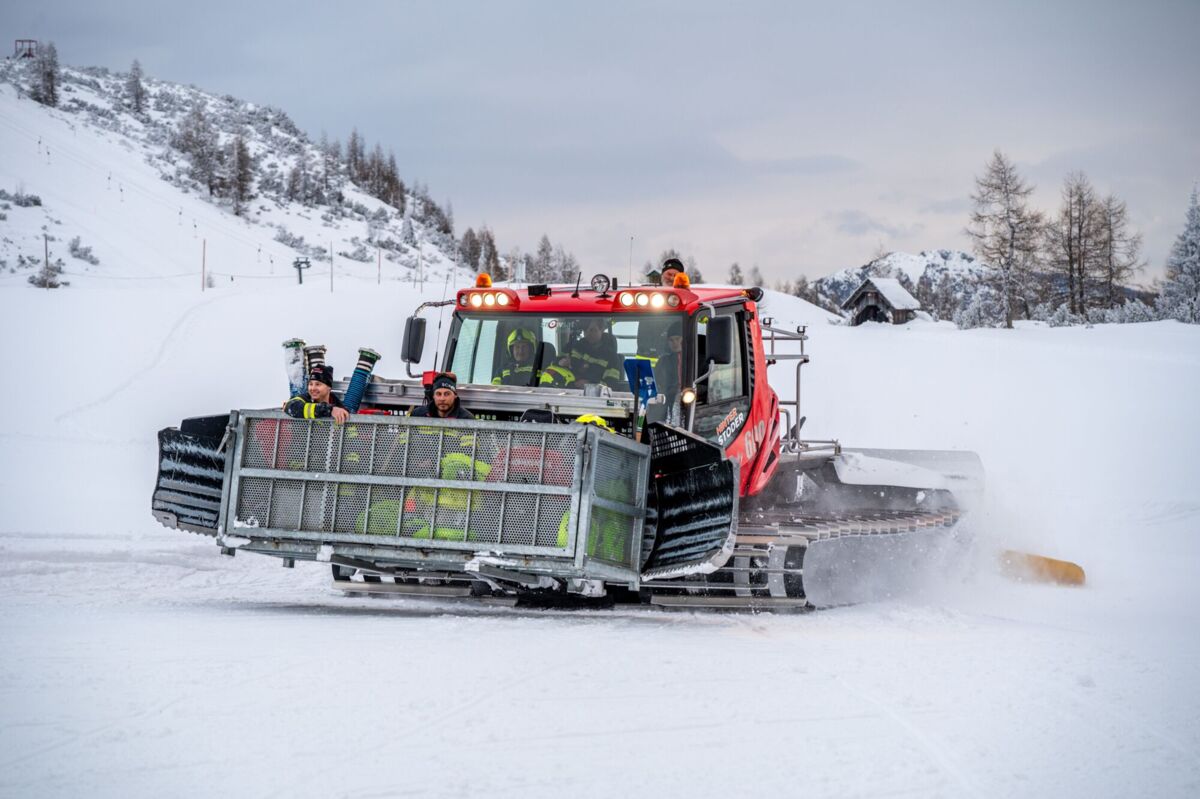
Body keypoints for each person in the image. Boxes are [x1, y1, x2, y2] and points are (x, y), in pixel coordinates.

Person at [566, 318, 622, 389]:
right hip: (570, 393)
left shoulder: (612, 357)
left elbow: (611, 385)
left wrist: (590, 384)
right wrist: (561, 363)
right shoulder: (578, 348)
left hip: (597, 395)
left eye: (593, 330)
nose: (588, 334)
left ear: (602, 330)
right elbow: (568, 369)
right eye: (585, 330)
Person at [285, 364, 349, 423]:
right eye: (310, 384)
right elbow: (291, 407)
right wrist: (329, 410)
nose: (313, 388)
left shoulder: (340, 407)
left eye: (318, 384)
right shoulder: (305, 398)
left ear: (329, 387)